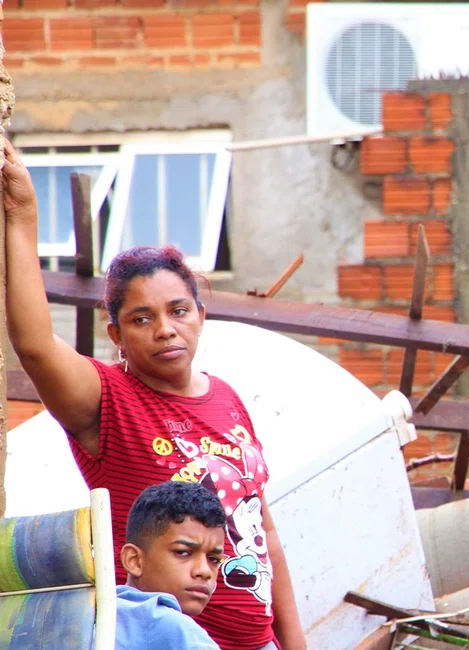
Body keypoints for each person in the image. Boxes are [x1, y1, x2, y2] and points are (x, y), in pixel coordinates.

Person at [1, 138, 307, 650]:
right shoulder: (109, 402)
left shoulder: (228, 399)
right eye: (142, 319)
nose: (165, 329)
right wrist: (23, 215)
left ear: (201, 315)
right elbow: (32, 345)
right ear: (116, 334)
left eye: (179, 311)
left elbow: (264, 535)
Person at [117, 481, 227, 650]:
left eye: (213, 559)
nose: (205, 571)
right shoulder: (178, 630)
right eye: (183, 552)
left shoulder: (86, 613)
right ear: (134, 560)